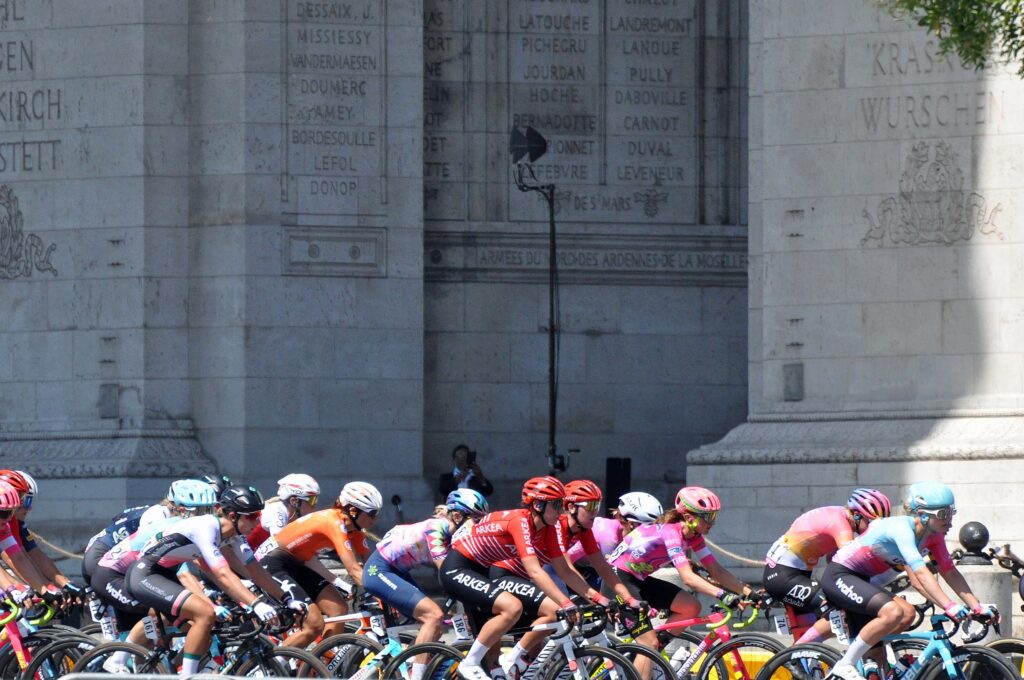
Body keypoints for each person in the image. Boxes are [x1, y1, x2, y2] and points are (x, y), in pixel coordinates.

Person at [439, 476, 626, 680]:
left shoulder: (548, 528)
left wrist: (599, 599)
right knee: (512, 607)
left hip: (483, 572)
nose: (561, 510)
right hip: (459, 568)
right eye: (556, 505)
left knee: (495, 662)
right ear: (537, 504)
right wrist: (565, 603)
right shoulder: (521, 521)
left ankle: (502, 667)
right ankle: (469, 663)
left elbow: (564, 570)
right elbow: (535, 572)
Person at [821, 481, 996, 680]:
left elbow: (950, 572)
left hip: (864, 581)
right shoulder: (901, 529)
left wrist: (977, 606)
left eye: (951, 513)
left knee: (906, 614)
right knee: (893, 612)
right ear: (922, 514)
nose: (950, 521)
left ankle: (872, 659)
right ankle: (845, 664)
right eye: (943, 514)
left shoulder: (934, 536)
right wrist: (950, 606)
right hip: (840, 576)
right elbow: (920, 573)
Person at [125, 484, 294, 676]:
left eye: (258, 516)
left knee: (206, 630)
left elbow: (255, 570)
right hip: (146, 573)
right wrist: (256, 604)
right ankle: (188, 677)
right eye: (252, 516)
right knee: (205, 613)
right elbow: (222, 574)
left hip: (166, 575)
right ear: (233, 516)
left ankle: (181, 668)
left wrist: (286, 598)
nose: (257, 522)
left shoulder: (234, 536)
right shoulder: (206, 526)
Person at [609, 486, 759, 680]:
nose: (712, 523)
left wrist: (749, 592)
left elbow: (717, 571)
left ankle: (652, 651)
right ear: (689, 518)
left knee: (690, 606)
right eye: (708, 517)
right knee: (648, 645)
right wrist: (723, 595)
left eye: (714, 516)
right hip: (617, 580)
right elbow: (688, 578)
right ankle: (648, 649)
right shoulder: (672, 533)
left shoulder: (694, 537)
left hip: (638, 580)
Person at [364, 489, 489, 680]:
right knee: (433, 616)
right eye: (476, 520)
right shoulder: (436, 528)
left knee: (436, 626)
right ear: (457, 516)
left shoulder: (455, 537)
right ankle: (417, 676)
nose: (479, 526)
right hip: (379, 570)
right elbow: (447, 572)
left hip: (397, 572)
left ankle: (408, 663)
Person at [256, 481, 382, 648]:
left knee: (338, 609)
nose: (376, 519)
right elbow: (354, 569)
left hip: (296, 564)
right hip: (272, 563)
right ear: (353, 510)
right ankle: (274, 666)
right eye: (372, 513)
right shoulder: (333, 522)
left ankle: (320, 665)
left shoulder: (354, 531)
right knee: (314, 623)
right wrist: (381, 594)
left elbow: (373, 566)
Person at [763, 488, 891, 643]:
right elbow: (850, 562)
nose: (873, 529)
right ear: (857, 515)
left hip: (796, 575)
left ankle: (805, 660)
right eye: (870, 523)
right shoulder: (840, 524)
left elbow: (833, 560)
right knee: (840, 606)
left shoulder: (840, 516)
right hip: (782, 577)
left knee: (811, 631)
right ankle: (795, 654)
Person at [563, 491, 664, 589]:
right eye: (646, 526)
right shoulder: (610, 536)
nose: (650, 532)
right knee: (618, 593)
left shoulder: (628, 535)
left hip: (588, 569)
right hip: (566, 569)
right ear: (630, 523)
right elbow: (613, 578)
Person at [0, 470, 73, 603]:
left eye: (12, 512)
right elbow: (10, 560)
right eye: (5, 513)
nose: (10, 518)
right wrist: (12, 587)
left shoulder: (5, 523)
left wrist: (45, 590)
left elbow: (19, 557)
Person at [247, 473, 321, 550]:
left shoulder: (290, 516)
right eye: (312, 501)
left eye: (316, 500)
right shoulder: (277, 513)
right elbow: (281, 548)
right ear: (294, 501)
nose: (314, 506)